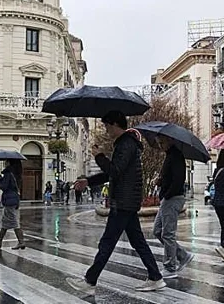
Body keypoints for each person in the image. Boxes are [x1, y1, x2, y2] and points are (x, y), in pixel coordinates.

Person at [67, 111, 166, 295]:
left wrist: (99, 156)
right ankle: (156, 277)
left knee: (107, 242)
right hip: (126, 201)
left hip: (123, 201)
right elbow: (111, 172)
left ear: (114, 125)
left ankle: (90, 282)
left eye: (107, 126)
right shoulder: (126, 143)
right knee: (138, 241)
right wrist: (88, 181)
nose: (106, 130)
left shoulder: (126, 144)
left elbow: (115, 170)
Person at [153, 136, 193, 277]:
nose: (160, 145)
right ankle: (182, 255)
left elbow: (178, 180)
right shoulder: (169, 156)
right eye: (159, 142)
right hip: (168, 197)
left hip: (172, 198)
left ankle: (170, 267)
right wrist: (160, 181)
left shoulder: (176, 156)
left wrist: (167, 194)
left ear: (169, 141)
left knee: (167, 234)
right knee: (157, 230)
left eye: (161, 142)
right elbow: (170, 177)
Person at [0, 159, 26, 249]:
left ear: (9, 163)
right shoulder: (14, 173)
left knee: (13, 221)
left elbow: (5, 186)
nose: (4, 163)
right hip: (13, 199)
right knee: (5, 221)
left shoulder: (8, 173)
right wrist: (0, 179)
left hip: (9, 200)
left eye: (6, 161)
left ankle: (21, 242)